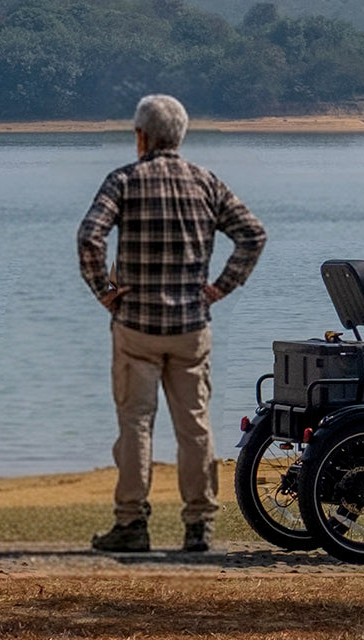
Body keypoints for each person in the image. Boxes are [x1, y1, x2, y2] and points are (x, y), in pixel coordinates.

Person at [76, 94, 266, 554]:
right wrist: (220, 287)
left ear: (141, 136)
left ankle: (132, 523)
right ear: (179, 136)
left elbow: (90, 236)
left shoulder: (124, 180)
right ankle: (199, 524)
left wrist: (103, 290)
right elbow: (252, 234)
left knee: (136, 424)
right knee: (195, 426)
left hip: (136, 325)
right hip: (189, 326)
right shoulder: (205, 182)